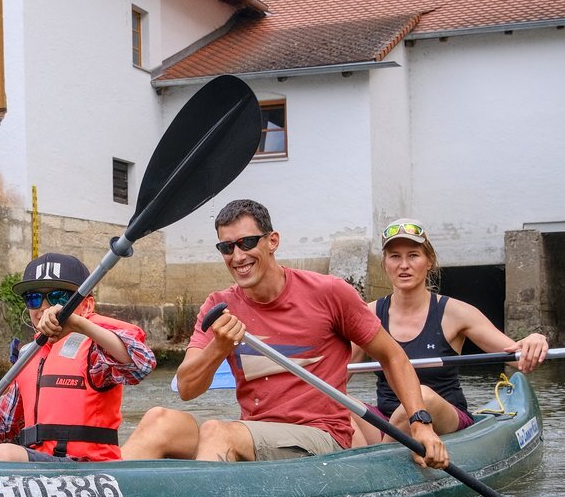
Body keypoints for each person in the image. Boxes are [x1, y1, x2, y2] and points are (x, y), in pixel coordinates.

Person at [120, 199, 449, 469]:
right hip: (257, 434)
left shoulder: (329, 292)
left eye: (247, 242)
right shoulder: (218, 305)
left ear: (272, 241)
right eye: (227, 247)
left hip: (321, 437)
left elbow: (392, 356)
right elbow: (188, 389)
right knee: (158, 419)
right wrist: (218, 348)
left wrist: (421, 425)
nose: (238, 256)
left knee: (217, 432)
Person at [350, 219, 550, 446]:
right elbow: (334, 377)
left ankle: (380, 459)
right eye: (395, 256)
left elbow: (519, 359)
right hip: (386, 420)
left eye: (413, 255)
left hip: (444, 416)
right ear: (385, 263)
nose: (403, 265)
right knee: (332, 397)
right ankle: (360, 461)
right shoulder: (367, 314)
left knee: (420, 397)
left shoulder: (457, 313)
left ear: (429, 261)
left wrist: (537, 338)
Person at [0, 252, 156, 462]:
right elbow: (4, 425)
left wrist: (77, 324)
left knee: (3, 454)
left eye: (58, 297)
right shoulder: (28, 355)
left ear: (87, 306)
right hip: (40, 464)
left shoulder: (96, 349)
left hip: (87, 469)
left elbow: (142, 364)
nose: (44, 307)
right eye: (34, 298)